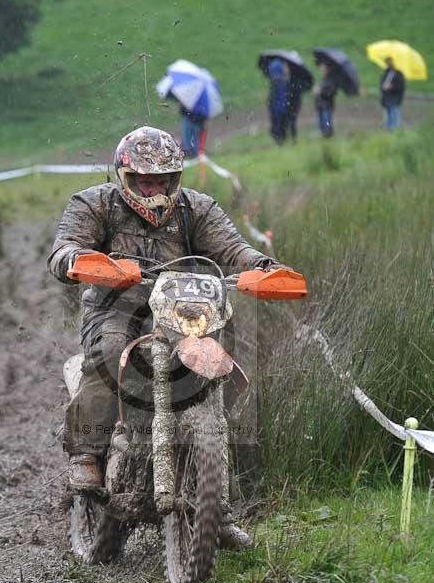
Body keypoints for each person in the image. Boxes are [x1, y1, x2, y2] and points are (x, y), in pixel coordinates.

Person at [48, 126, 284, 549]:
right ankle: (86, 452)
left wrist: (263, 266)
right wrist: (80, 260)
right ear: (126, 176)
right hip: (115, 310)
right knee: (111, 354)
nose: (154, 188)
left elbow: (231, 248)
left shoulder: (196, 209)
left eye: (162, 179)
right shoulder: (95, 203)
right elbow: (64, 247)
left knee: (225, 369)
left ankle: (215, 509)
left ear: (175, 178)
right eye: (145, 180)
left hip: (182, 313)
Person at [267, 58, 289, 145]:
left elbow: (272, 97)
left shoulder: (274, 81)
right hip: (282, 107)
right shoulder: (284, 80)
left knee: (276, 124)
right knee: (281, 125)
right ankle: (280, 140)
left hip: (276, 107)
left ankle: (278, 140)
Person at [380, 57, 405, 131]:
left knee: (394, 117)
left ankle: (395, 132)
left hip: (394, 99)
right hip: (386, 99)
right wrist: (383, 87)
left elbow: (401, 86)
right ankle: (388, 132)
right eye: (386, 62)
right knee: (387, 119)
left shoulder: (398, 74)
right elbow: (382, 85)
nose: (387, 64)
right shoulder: (385, 73)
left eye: (389, 62)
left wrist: (391, 86)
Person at [313, 62, 338, 138]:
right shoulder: (323, 79)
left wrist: (321, 91)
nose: (321, 69)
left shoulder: (331, 79)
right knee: (322, 123)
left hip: (326, 105)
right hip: (321, 105)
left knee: (327, 123)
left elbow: (332, 92)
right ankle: (324, 136)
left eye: (323, 67)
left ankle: (328, 137)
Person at [285, 76, 303, 141]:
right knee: (289, 121)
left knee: (292, 121)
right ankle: (290, 137)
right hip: (290, 105)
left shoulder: (295, 81)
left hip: (293, 105)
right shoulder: (287, 81)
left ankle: (293, 137)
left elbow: (297, 95)